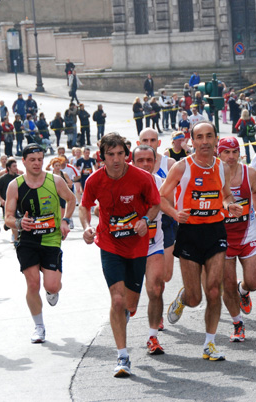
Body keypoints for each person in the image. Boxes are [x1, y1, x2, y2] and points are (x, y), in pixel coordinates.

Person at [80, 134, 160, 377]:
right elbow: (84, 206)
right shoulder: (94, 180)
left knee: (130, 304)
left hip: (136, 246)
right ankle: (122, 357)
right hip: (109, 245)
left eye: (120, 154)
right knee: (116, 300)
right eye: (110, 155)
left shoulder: (142, 178)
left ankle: (125, 311)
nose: (116, 160)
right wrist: (86, 227)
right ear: (102, 156)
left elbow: (155, 204)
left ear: (126, 154)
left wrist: (145, 220)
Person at [162, 121, 242, 361]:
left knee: (214, 290)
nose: (205, 141)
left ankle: (210, 344)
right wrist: (175, 214)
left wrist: (230, 205)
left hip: (216, 231)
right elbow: (161, 197)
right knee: (195, 297)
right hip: (189, 233)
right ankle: (182, 298)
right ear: (192, 141)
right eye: (200, 137)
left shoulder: (222, 167)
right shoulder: (181, 167)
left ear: (216, 139)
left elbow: (225, 195)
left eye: (209, 136)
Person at [4, 144, 76, 344]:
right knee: (32, 282)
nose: (37, 163)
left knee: (52, 285)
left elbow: (71, 200)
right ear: (24, 161)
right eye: (32, 159)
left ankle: (52, 290)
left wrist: (65, 220)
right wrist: (19, 223)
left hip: (51, 238)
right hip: (27, 239)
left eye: (40, 159)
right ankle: (39, 326)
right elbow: (8, 217)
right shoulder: (15, 185)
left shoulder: (55, 181)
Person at [216, 138, 256, 342]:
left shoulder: (250, 172)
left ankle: (244, 290)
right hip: (223, 236)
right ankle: (238, 324)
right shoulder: (214, 175)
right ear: (219, 154)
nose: (230, 156)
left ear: (239, 154)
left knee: (254, 282)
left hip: (247, 233)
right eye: (226, 152)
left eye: (234, 152)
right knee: (227, 285)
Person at [130, 145, 168, 355]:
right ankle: (131, 304)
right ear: (132, 162)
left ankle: (153, 337)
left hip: (154, 245)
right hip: (128, 248)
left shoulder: (160, 182)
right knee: (129, 300)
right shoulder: (122, 181)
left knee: (156, 288)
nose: (145, 164)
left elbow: (170, 203)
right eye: (140, 160)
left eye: (149, 160)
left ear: (155, 162)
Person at [137, 129, 178, 296]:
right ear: (139, 143)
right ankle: (155, 299)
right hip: (141, 222)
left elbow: (176, 197)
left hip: (166, 221)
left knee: (166, 275)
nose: (149, 143)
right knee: (153, 276)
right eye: (145, 140)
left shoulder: (169, 164)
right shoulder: (133, 164)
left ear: (159, 143)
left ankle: (156, 284)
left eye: (153, 140)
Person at [0, 158, 20, 244]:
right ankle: (12, 232)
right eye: (14, 166)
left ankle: (15, 238)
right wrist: (1, 200)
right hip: (7, 203)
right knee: (11, 220)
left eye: (16, 166)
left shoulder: (19, 178)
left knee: (16, 219)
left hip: (18, 203)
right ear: (8, 167)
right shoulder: (3, 178)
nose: (16, 168)